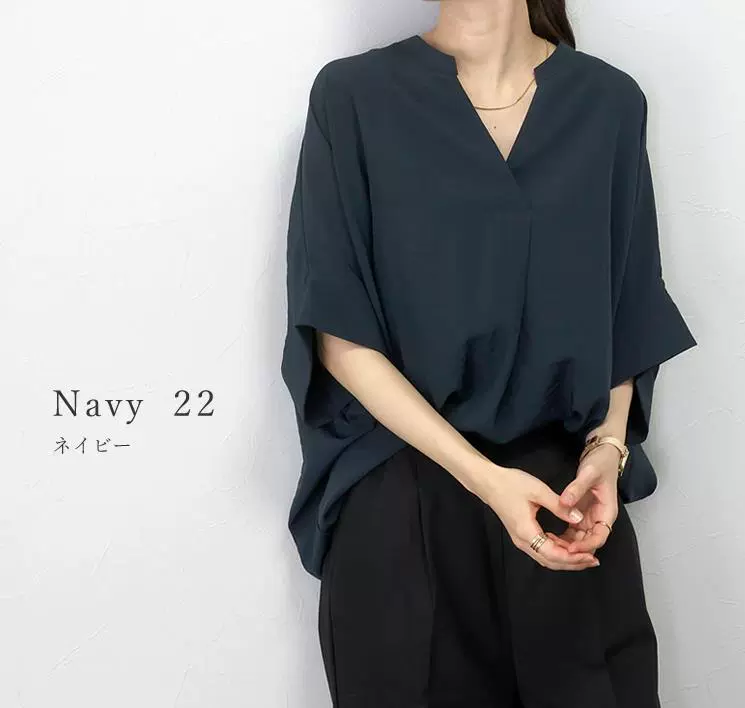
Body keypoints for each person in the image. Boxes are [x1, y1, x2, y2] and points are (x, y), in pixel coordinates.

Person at [280, 1, 697, 706]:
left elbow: (627, 309)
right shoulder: (353, 97)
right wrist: (484, 478)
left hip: (565, 504)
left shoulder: (608, 103)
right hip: (404, 500)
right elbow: (339, 334)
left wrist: (607, 450)